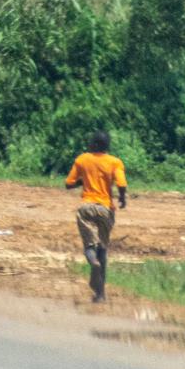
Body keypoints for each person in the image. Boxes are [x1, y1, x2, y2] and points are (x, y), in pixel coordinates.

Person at [66, 130, 128, 303]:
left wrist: (83, 180)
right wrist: (122, 198)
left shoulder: (82, 159)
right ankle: (101, 295)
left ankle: (92, 261)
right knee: (103, 249)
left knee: (89, 247)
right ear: (107, 146)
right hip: (106, 210)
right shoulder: (115, 162)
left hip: (86, 208)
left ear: (93, 145)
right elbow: (122, 184)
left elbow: (68, 184)